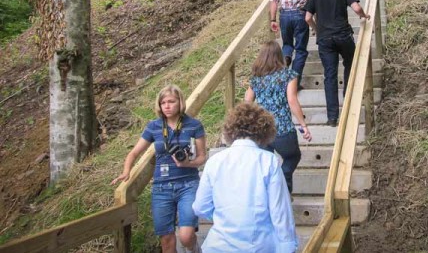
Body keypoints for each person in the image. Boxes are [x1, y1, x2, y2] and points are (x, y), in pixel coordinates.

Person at [112, 85, 207, 253]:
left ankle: (194, 249)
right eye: (163, 103)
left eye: (171, 101)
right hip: (161, 188)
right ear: (159, 105)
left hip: (188, 184)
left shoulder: (194, 125)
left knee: (186, 237)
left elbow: (201, 157)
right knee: (167, 242)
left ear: (180, 102)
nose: (167, 106)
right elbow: (133, 153)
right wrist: (126, 171)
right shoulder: (154, 126)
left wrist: (187, 163)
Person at [192, 103, 297, 252]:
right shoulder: (268, 161)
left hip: (218, 245)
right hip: (258, 245)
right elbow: (280, 211)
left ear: (230, 130)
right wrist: (288, 246)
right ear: (264, 131)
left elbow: (200, 206)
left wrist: (226, 217)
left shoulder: (215, 161)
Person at [303, 0, 370, 126]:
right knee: (350, 64)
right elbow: (357, 8)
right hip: (343, 36)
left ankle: (332, 118)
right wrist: (364, 16)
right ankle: (348, 99)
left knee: (330, 75)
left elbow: (307, 18)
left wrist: (316, 29)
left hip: (325, 39)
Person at [244, 41, 312, 193]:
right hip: (282, 129)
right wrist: (303, 125)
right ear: (279, 56)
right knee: (293, 158)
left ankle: (270, 194)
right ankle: (281, 188)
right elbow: (292, 100)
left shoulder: (256, 78)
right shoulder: (288, 75)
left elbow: (247, 102)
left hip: (261, 131)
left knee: (266, 166)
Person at [270, 0, 316, 87]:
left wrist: (273, 19)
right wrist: (315, 21)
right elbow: (315, 2)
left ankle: (286, 58)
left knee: (287, 45)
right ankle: (294, 83)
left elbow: (273, 0)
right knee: (301, 50)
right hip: (300, 15)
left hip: (284, 15)